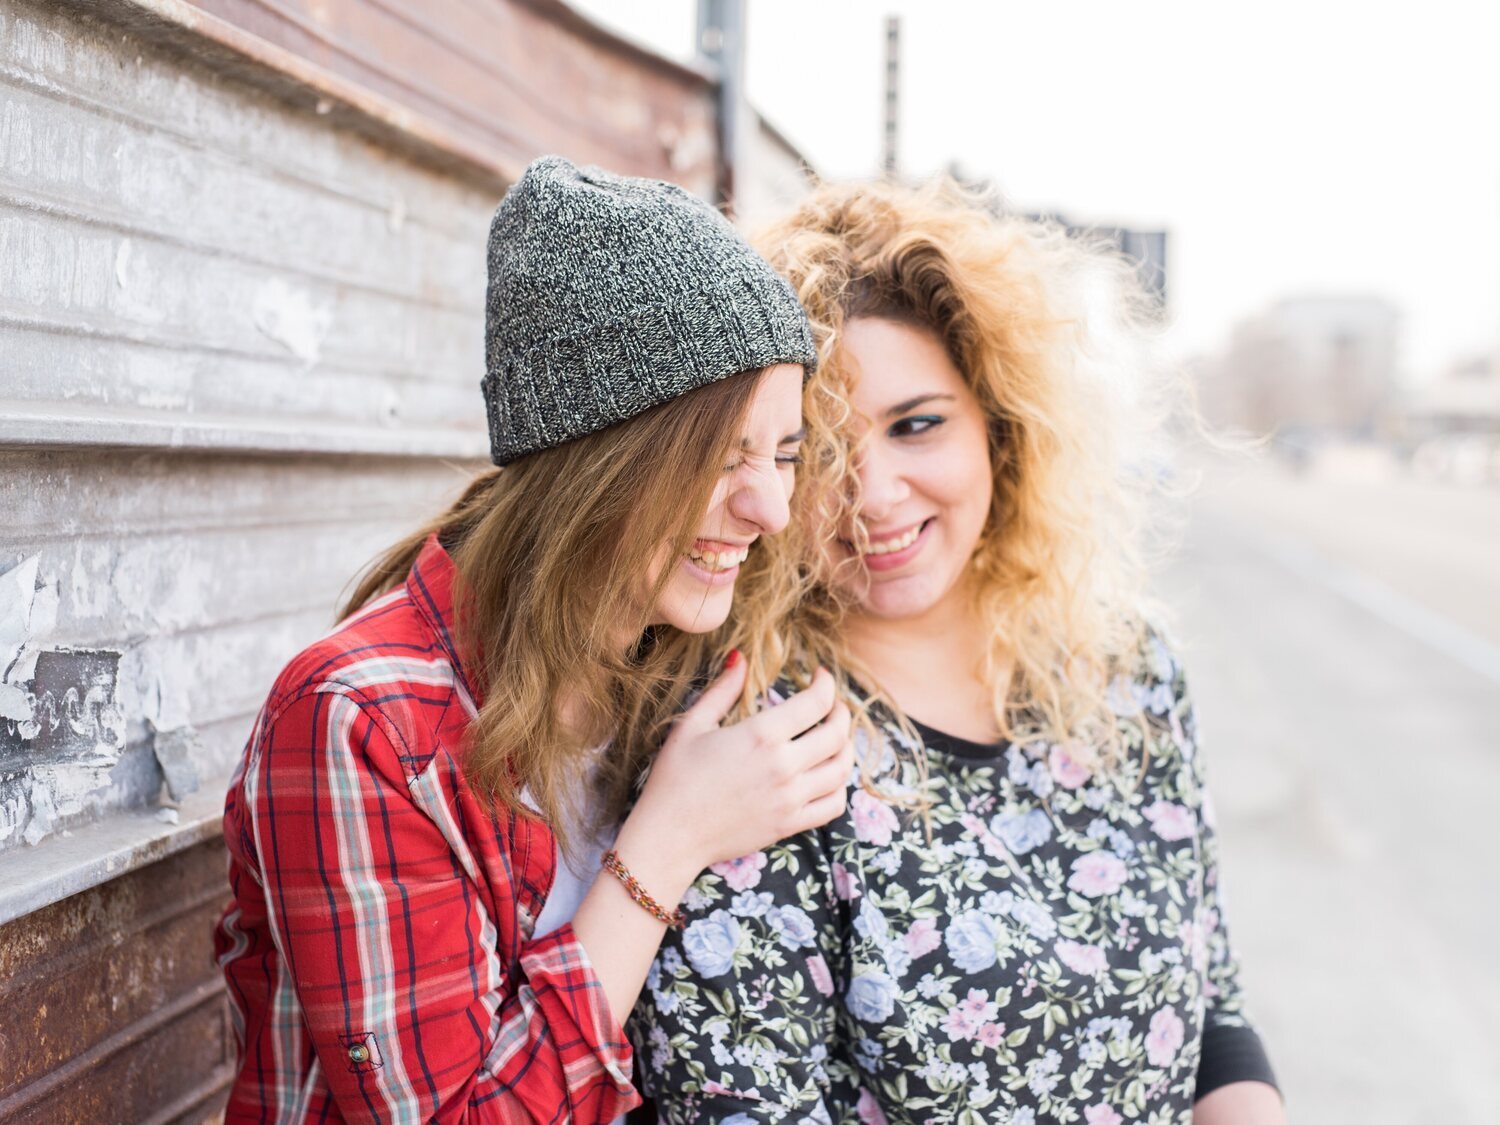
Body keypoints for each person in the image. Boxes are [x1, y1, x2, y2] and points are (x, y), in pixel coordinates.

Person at [213, 156, 855, 1123]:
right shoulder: (359, 723)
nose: (767, 504)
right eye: (724, 458)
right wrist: (671, 839)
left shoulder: (680, 667)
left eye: (783, 453)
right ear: (595, 460)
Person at [632, 179, 1284, 1123]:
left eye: (917, 423)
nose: (876, 494)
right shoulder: (753, 744)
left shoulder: (1128, 670)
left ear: (999, 426)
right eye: (817, 451)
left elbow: (1213, 1008)